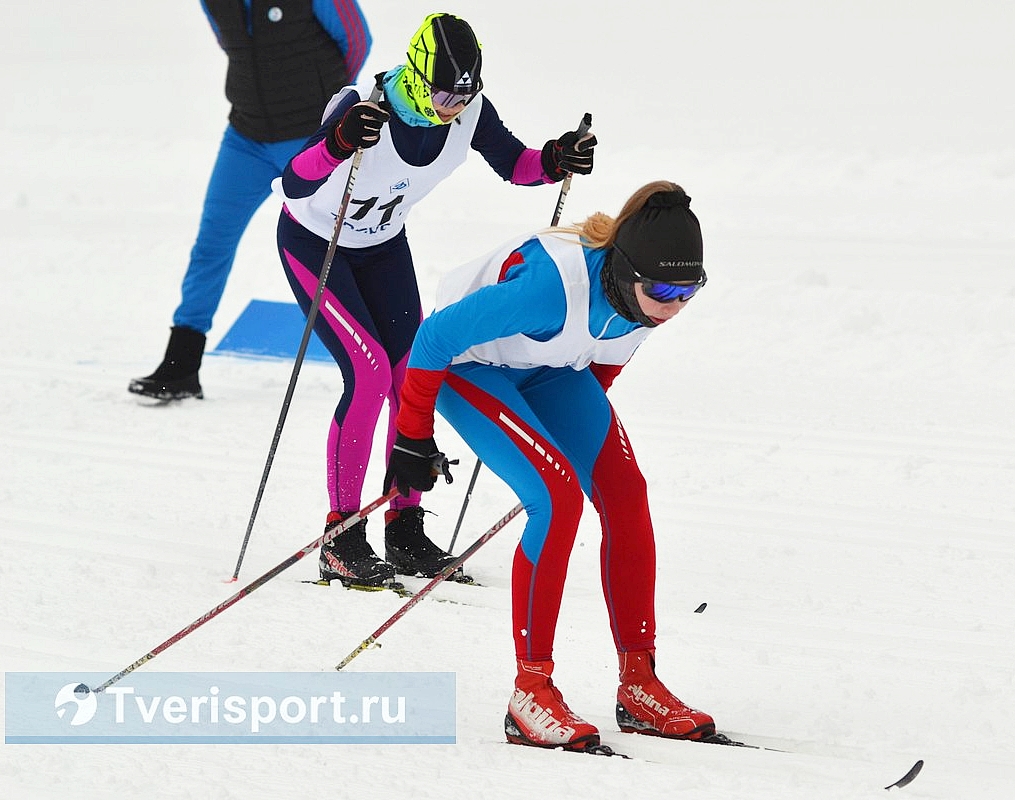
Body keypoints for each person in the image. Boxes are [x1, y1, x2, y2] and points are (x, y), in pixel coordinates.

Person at [382, 181, 715, 750]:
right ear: (626, 269)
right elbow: (433, 339)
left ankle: (639, 681)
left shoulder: (644, 305)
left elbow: (598, 372)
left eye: (690, 290)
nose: (674, 305)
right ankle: (529, 692)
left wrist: (565, 441)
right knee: (557, 499)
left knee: (625, 493)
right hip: (469, 365)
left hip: (552, 368)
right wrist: (413, 437)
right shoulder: (548, 289)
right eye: (663, 288)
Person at [274, 13, 598, 590]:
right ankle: (340, 537)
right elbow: (295, 182)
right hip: (316, 243)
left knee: (414, 373)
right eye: (444, 92)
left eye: (463, 94)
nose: (452, 106)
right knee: (370, 374)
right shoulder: (362, 105)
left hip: (382, 246)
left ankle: (403, 526)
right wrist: (339, 142)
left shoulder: (469, 109)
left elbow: (515, 164)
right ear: (419, 76)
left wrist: (556, 159)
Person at [129, 0, 373, 402]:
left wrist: (329, 109)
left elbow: (357, 42)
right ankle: (182, 365)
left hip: (312, 140)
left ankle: (382, 361)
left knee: (349, 242)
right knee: (212, 244)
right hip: (247, 137)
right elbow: (234, 44)